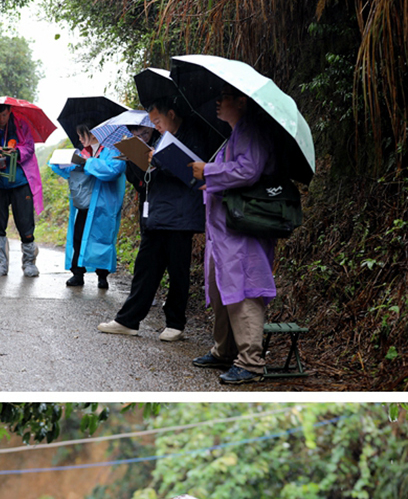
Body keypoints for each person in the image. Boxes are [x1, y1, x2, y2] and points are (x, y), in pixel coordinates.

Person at [98, 97, 215, 342]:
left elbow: (192, 171)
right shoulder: (161, 139)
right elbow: (144, 181)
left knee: (178, 270)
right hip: (156, 213)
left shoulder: (193, 134)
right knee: (145, 268)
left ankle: (175, 323)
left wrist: (158, 159)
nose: (156, 127)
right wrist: (135, 159)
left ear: (171, 114)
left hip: (180, 215)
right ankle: (128, 320)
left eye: (157, 121)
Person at [189, 86, 278, 384]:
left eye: (223, 98)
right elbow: (233, 172)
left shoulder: (251, 129)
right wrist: (210, 178)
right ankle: (224, 351)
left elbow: (249, 170)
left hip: (242, 229)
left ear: (241, 101)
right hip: (224, 230)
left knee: (244, 288)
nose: (217, 103)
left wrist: (209, 172)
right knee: (222, 289)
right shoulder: (234, 134)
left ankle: (251, 362)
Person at [49, 124, 126, 289]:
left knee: (102, 239)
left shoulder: (112, 150)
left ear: (92, 133)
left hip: (103, 206)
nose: (79, 139)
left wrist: (89, 163)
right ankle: (77, 274)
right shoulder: (82, 152)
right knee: (78, 238)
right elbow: (68, 171)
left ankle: (102, 276)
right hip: (85, 204)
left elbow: (114, 170)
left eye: (81, 134)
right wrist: (61, 161)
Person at [0, 104, 43, 278]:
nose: (1, 119)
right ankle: (0, 264)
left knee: (26, 224)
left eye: (4, 115)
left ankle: (29, 263)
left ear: (9, 111)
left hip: (20, 182)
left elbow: (29, 147)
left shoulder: (21, 125)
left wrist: (16, 151)